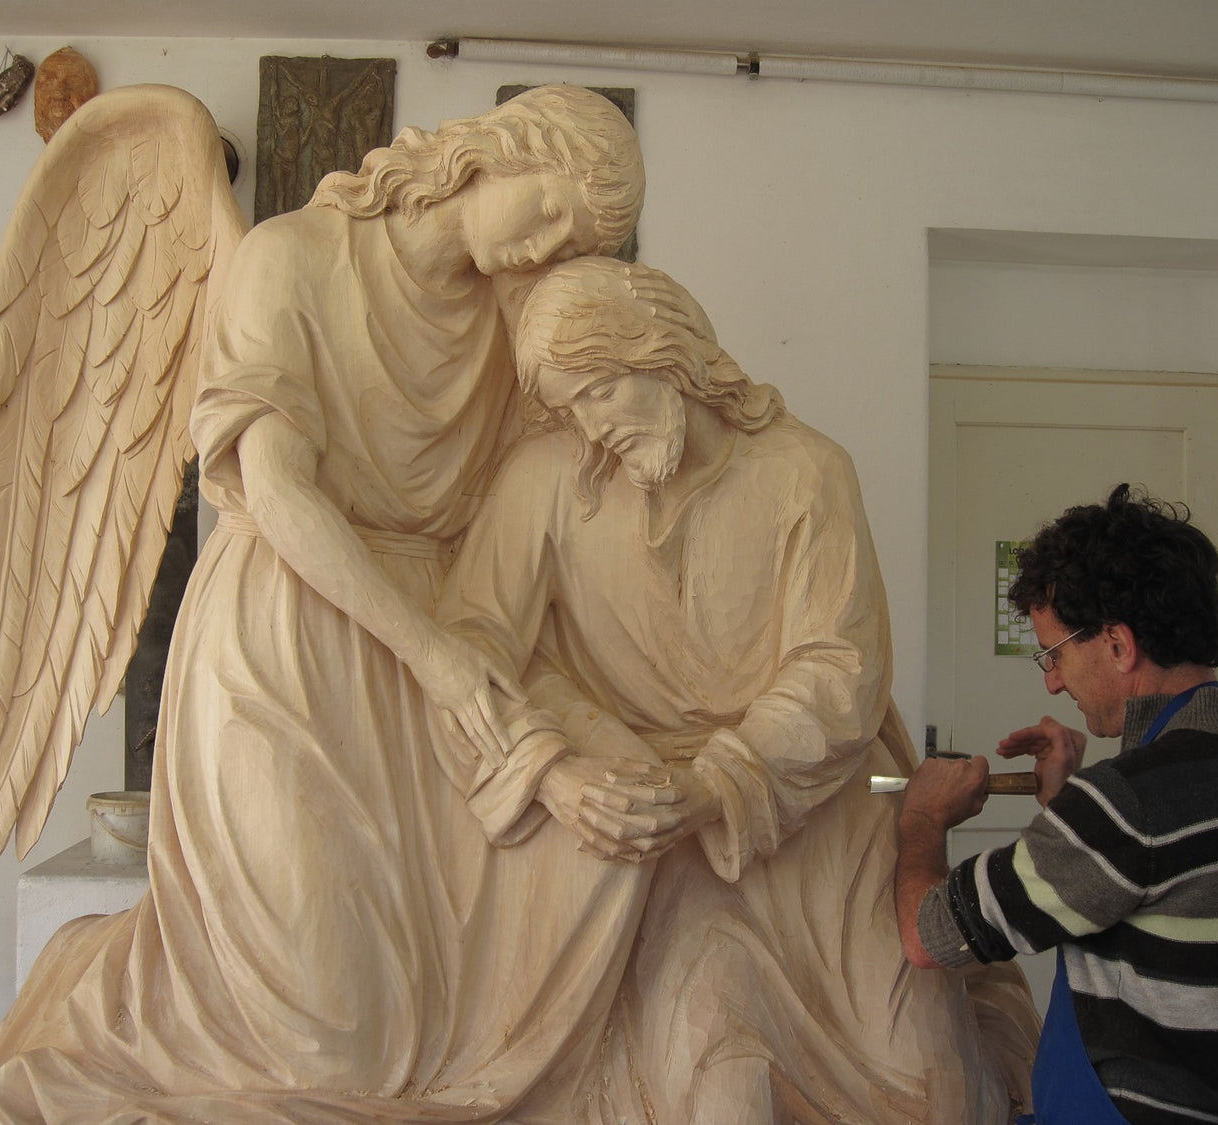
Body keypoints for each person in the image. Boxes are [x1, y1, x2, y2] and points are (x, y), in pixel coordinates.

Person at [0, 86, 646, 1123]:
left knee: (550, 910)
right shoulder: (291, 259)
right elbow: (277, 492)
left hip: (434, 666)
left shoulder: (514, 320)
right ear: (499, 152)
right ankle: (100, 1005)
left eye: (572, 243)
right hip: (286, 638)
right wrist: (437, 657)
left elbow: (571, 499)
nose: (544, 247)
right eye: (548, 210)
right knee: (331, 1042)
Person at [436, 257, 1039, 1124]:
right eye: (570, 407)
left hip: (816, 813)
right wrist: (554, 772)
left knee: (931, 1084)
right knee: (718, 1074)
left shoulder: (806, 472)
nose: (591, 427)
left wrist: (716, 782)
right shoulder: (545, 482)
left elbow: (841, 669)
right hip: (661, 850)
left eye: (601, 390)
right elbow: (470, 652)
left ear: (665, 353)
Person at [893, 485, 1218, 1125]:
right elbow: (1135, 898)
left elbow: (927, 937)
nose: (1053, 681)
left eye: (1055, 654)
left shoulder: (1128, 805)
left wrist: (923, 817)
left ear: (1119, 645)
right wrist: (1063, 800)